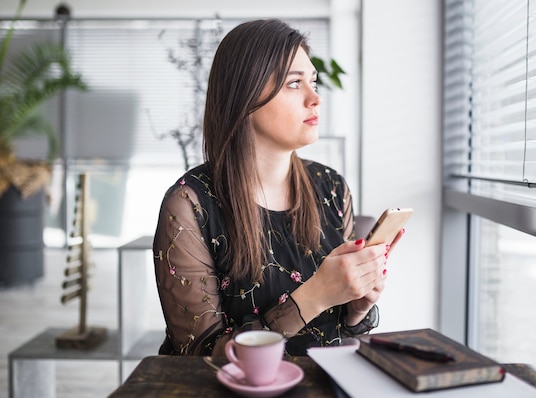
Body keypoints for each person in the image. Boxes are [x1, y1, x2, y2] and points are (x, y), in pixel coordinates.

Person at [153, 18, 404, 357]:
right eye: (294, 84)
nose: (315, 98)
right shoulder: (190, 204)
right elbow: (201, 356)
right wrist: (315, 295)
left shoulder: (331, 188)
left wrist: (355, 306)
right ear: (245, 96)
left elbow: (337, 330)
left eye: (313, 82)